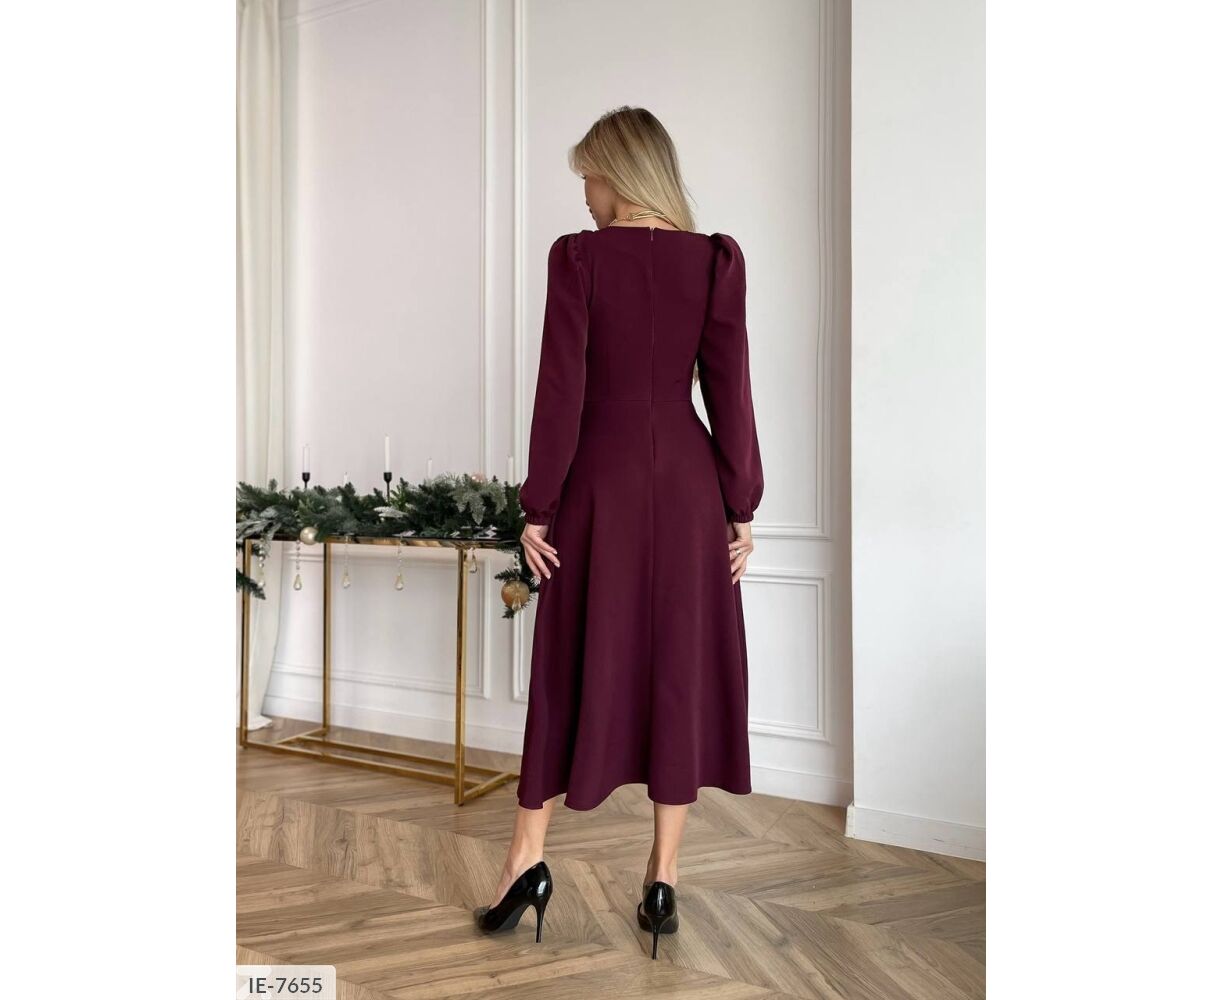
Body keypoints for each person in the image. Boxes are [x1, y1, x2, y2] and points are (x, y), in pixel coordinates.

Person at [473, 106, 764, 961]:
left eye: (589, 177)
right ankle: (662, 877)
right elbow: (730, 391)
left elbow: (560, 391)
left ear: (618, 175)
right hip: (688, 490)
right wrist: (741, 505)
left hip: (598, 486)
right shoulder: (714, 260)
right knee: (678, 666)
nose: (586, 195)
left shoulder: (579, 259)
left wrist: (537, 505)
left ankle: (526, 860)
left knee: (567, 662)